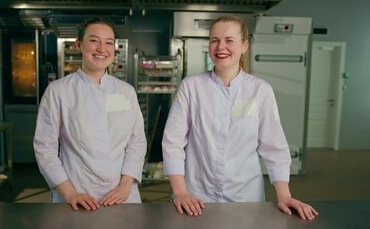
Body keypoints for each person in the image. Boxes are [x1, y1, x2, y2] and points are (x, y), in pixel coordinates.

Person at [162, 15, 318, 220]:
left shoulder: (260, 90)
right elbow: (172, 142)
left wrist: (284, 195)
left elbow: (274, 147)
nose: (220, 47)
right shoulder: (192, 87)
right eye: (214, 40)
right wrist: (180, 192)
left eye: (229, 40)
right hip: (197, 197)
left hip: (245, 197)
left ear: (244, 46)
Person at [34, 17, 147, 211]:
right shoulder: (59, 91)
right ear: (79, 45)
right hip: (77, 194)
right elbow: (45, 147)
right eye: (94, 41)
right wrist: (70, 193)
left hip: (122, 195)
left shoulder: (125, 91)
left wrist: (125, 186)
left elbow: (136, 142)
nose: (102, 49)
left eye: (109, 43)